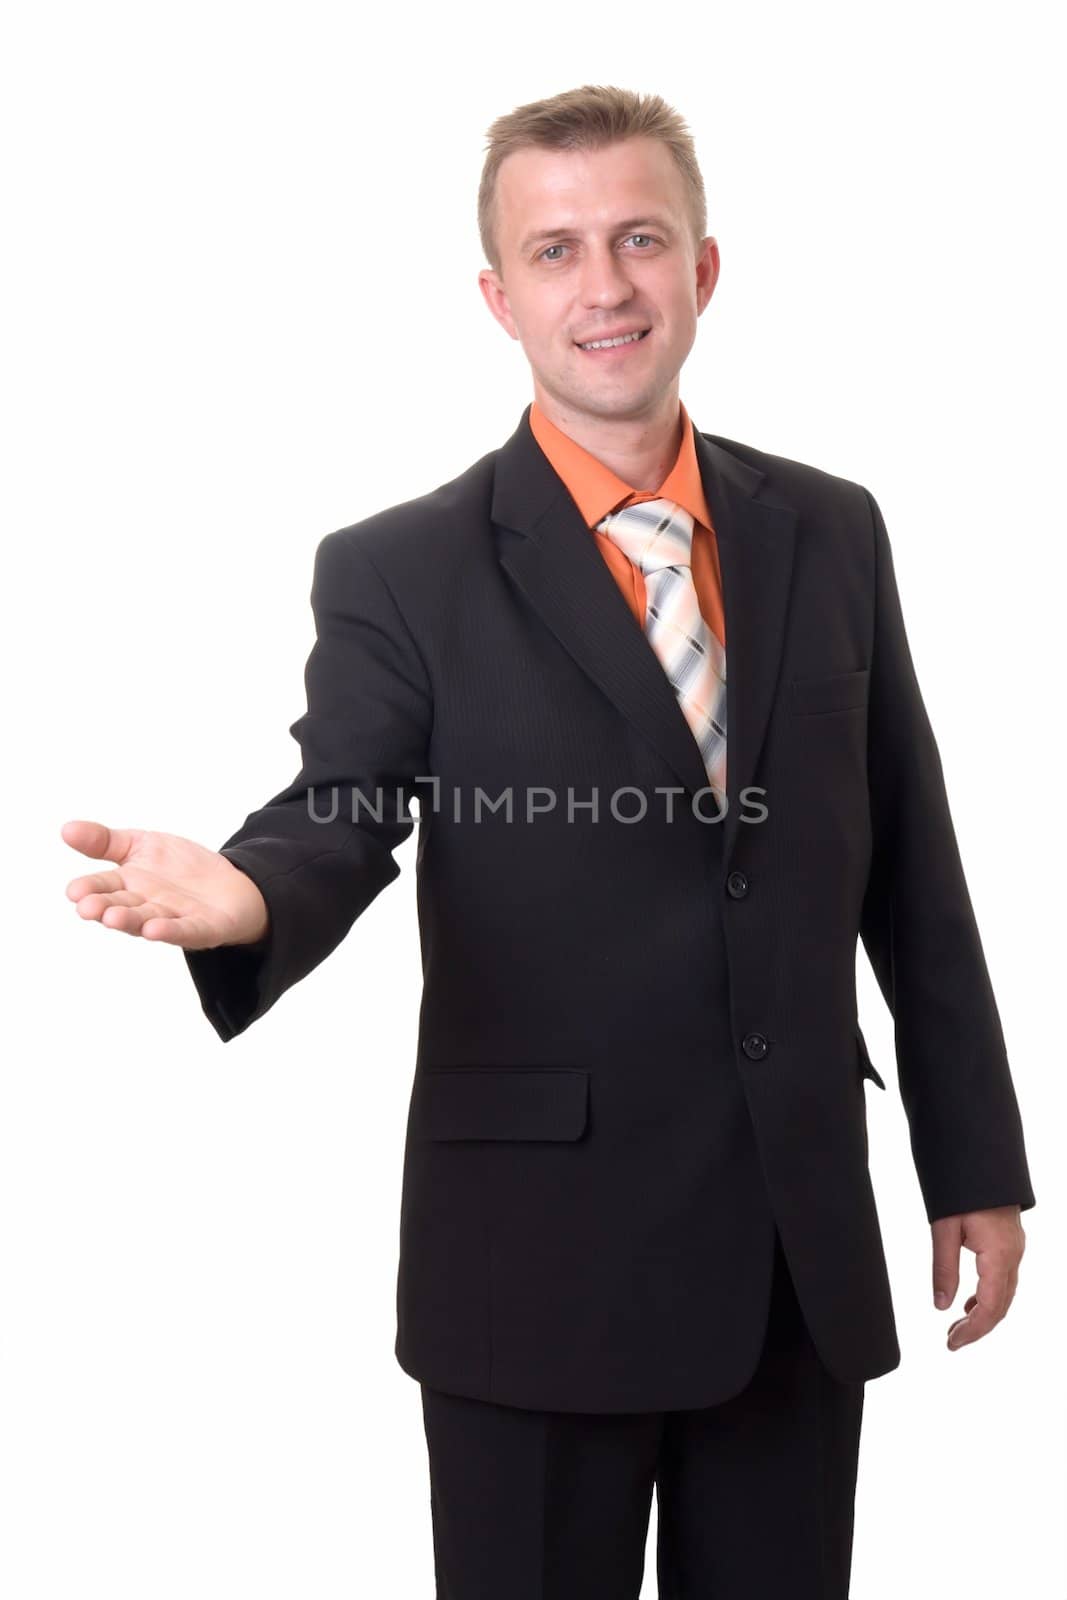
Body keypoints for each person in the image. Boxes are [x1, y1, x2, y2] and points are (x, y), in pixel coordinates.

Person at [62, 84, 1034, 1599]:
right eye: (559, 249)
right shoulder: (402, 569)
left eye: (641, 239)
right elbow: (344, 806)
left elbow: (910, 853)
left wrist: (972, 1154)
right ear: (498, 295)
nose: (606, 286)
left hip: (796, 1252)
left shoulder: (832, 530)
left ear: (704, 269)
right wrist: (252, 894)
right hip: (537, 1263)